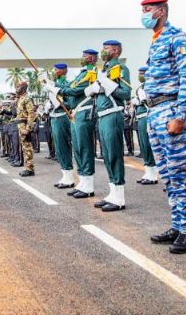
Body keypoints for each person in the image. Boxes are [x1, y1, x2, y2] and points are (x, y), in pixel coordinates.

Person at [141, 0, 186, 254]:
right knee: (166, 174)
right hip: (155, 111)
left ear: (162, 11)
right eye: (143, 10)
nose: (144, 14)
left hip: (170, 110)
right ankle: (177, 224)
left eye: (149, 9)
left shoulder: (177, 37)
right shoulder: (155, 41)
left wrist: (181, 115)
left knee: (178, 173)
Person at [87, 41, 132, 211]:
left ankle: (119, 198)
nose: (103, 51)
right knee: (107, 155)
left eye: (106, 48)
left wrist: (107, 85)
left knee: (114, 154)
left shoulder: (119, 68)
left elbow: (126, 93)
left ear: (115, 51)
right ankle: (113, 193)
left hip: (113, 114)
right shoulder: (105, 70)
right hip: (103, 116)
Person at [60, 49, 98, 198]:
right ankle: (83, 181)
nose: (82, 58)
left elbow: (75, 90)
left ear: (91, 58)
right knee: (78, 148)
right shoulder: (82, 73)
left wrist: (57, 88)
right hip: (77, 113)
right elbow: (71, 91)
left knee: (84, 148)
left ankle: (88, 185)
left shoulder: (91, 72)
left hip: (85, 112)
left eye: (84, 56)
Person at [43, 63, 75, 189]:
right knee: (59, 148)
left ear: (63, 71)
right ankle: (65, 175)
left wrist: (56, 99)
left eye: (56, 69)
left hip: (62, 116)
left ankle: (69, 176)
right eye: (54, 69)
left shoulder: (66, 83)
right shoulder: (54, 83)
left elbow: (69, 103)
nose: (55, 71)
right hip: (54, 116)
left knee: (63, 145)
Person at [132, 66, 158, 185]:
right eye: (139, 72)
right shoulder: (140, 87)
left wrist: (144, 99)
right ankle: (148, 170)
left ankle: (153, 173)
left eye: (142, 73)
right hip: (140, 118)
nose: (140, 75)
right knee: (143, 145)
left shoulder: (152, 85)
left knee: (148, 144)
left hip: (148, 116)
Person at [15, 82, 36, 177]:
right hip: (20, 125)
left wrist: (28, 129)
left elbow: (31, 114)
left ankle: (30, 169)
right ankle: (27, 167)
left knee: (28, 147)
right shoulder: (20, 99)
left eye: (18, 87)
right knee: (24, 148)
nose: (16, 88)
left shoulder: (27, 98)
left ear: (23, 88)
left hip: (25, 126)